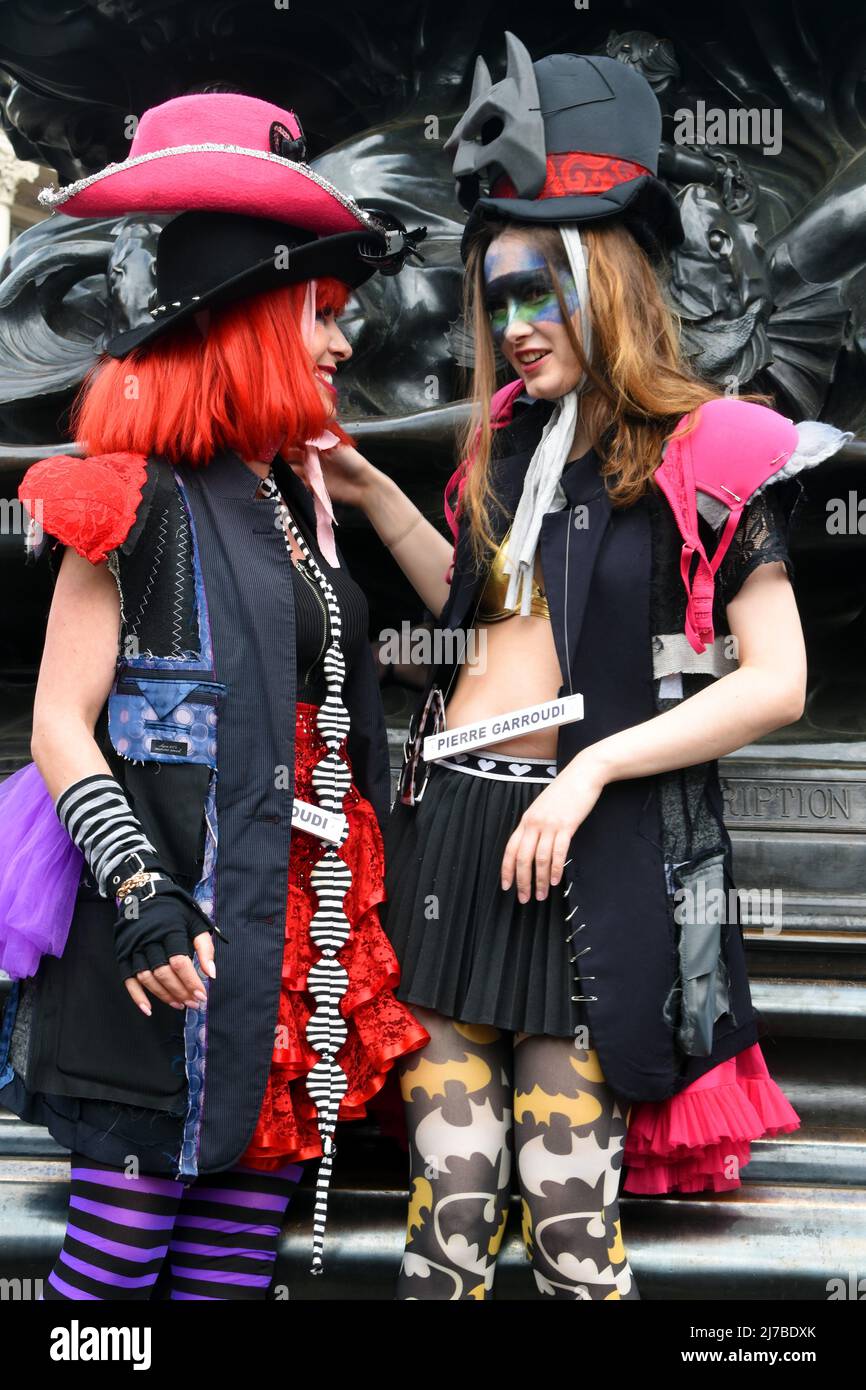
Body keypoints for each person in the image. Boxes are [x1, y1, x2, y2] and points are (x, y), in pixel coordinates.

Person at [311, 38, 849, 1300]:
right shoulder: (501, 449)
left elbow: (775, 681)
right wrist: (377, 490)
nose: (512, 324)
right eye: (495, 295)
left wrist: (588, 767)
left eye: (539, 289)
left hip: (585, 867)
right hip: (456, 842)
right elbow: (480, 609)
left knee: (567, 1236)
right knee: (442, 1233)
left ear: (603, 280)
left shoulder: (709, 444)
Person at [0, 90, 429, 1299]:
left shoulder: (300, 502)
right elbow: (58, 723)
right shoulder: (126, 498)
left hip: (290, 931)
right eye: (322, 318)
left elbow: (479, 608)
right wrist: (140, 893)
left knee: (236, 1257)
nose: (344, 348)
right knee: (116, 1270)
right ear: (247, 325)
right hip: (164, 934)